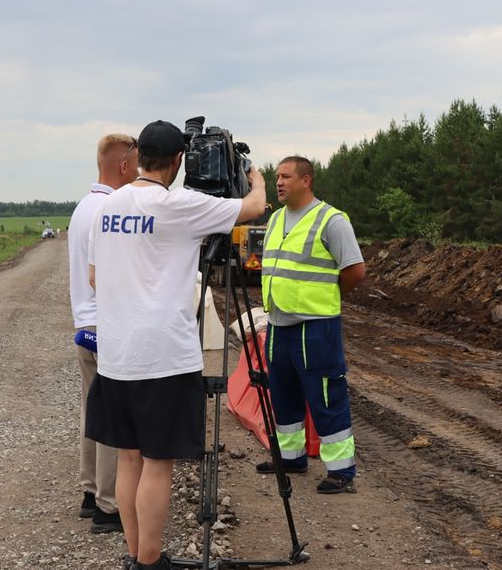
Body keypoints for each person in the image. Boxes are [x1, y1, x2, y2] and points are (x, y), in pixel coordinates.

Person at [86, 120, 266, 570]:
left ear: (138, 157)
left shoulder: (107, 208)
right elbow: (254, 207)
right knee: (158, 463)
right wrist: (254, 177)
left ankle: (134, 555)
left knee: (129, 460)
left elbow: (94, 276)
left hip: (115, 355)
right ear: (178, 161)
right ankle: (150, 562)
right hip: (162, 357)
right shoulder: (180, 205)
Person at [255, 155, 366, 494]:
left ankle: (341, 470)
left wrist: (326, 299)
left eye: (286, 176)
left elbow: (354, 271)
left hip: (315, 327)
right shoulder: (275, 219)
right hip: (278, 323)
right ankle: (291, 457)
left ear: (306, 181)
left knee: (326, 396)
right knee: (283, 394)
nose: (279, 182)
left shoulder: (330, 220)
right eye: (277, 176)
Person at [67, 133, 138, 533]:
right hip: (107, 325)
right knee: (115, 416)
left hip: (84, 324)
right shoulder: (112, 209)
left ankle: (91, 490)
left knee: (92, 411)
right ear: (124, 165)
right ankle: (109, 507)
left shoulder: (83, 207)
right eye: (138, 165)